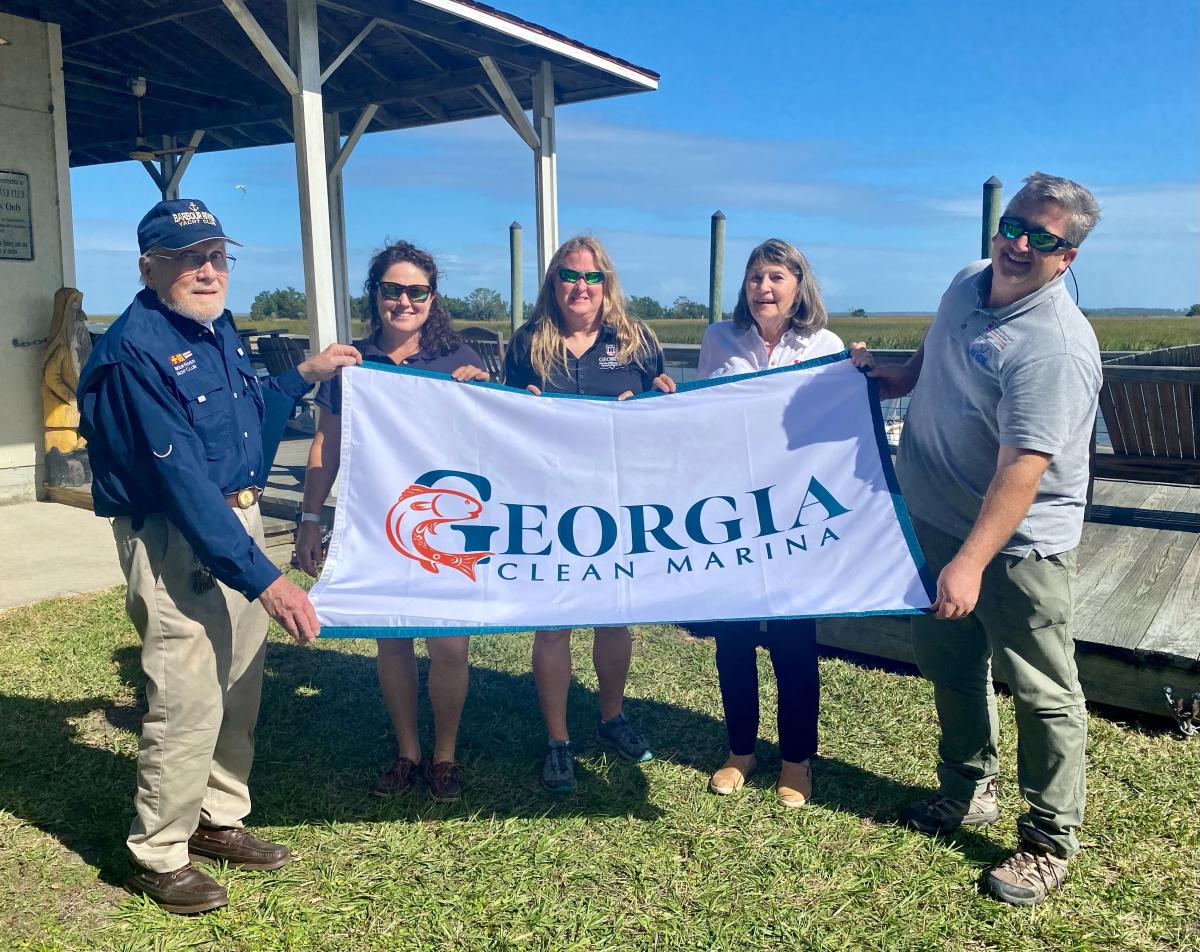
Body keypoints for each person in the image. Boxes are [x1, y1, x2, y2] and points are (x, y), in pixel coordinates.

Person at [77, 198, 361, 915]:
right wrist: (269, 579)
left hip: (234, 518)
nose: (207, 271)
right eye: (187, 257)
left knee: (239, 679)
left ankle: (218, 817)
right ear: (150, 266)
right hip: (178, 531)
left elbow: (246, 410)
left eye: (215, 256)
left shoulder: (214, 329)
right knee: (186, 693)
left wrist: (304, 374)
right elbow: (182, 482)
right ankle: (161, 852)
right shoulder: (133, 351)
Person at [851, 172, 1102, 906]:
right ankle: (967, 788)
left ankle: (1050, 841)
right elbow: (937, 356)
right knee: (950, 662)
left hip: (1019, 545)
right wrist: (895, 379)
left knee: (1044, 691)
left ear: (1067, 258)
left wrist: (969, 561)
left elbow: (1025, 468)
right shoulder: (967, 281)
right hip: (935, 515)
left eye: (1043, 238)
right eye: (1014, 225)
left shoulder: (1056, 346)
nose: (1020, 244)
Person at [295, 240, 489, 803]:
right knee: (394, 640)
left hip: (446, 525)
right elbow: (325, 445)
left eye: (416, 291)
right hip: (377, 522)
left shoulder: (459, 361)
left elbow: (490, 446)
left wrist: (482, 397)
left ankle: (445, 753)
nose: (403, 301)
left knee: (450, 645)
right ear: (375, 294)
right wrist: (311, 517)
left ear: (433, 298)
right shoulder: (349, 364)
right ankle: (407, 751)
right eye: (392, 290)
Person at [502, 235, 676, 792]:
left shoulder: (636, 340)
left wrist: (662, 397)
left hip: (615, 501)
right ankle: (558, 741)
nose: (581, 287)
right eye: (569, 276)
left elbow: (661, 412)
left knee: (612, 616)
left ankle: (611, 717)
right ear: (553, 284)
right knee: (553, 626)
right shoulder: (529, 341)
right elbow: (499, 419)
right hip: (548, 502)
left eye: (592, 277)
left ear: (607, 283)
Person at [696, 238, 844, 807]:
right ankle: (739, 751)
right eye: (756, 277)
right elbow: (700, 412)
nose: (765, 287)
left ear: (798, 285)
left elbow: (840, 420)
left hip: (793, 514)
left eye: (777, 277)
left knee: (792, 642)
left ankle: (796, 760)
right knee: (732, 639)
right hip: (731, 511)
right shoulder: (718, 338)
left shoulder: (825, 344)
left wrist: (859, 372)